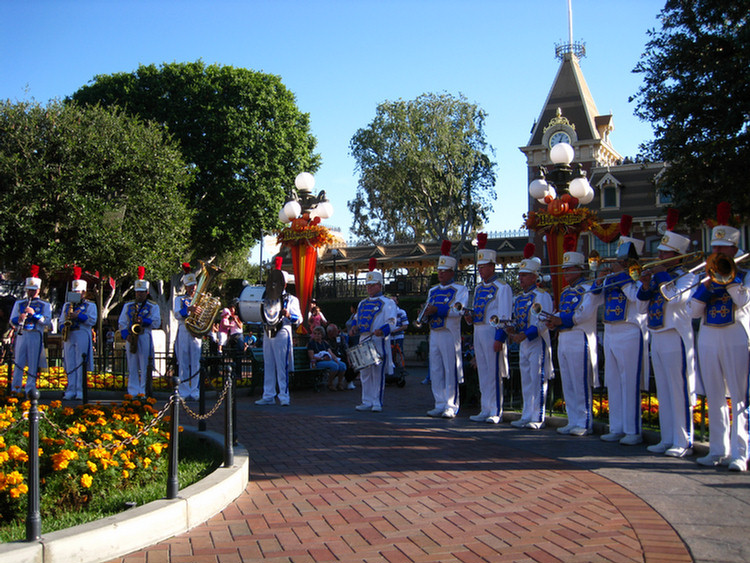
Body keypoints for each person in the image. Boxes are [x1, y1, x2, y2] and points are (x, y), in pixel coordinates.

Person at [690, 202, 749, 472]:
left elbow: (743, 302)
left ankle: (740, 452)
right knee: (714, 395)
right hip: (709, 336)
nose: (717, 253)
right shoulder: (705, 277)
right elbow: (693, 311)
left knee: (738, 396)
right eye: (715, 248)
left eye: (723, 249)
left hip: (736, 334)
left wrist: (729, 279)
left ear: (734, 250)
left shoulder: (745, 275)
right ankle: (717, 449)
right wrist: (707, 287)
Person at [637, 210, 697, 458]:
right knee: (662, 388)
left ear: (677, 257)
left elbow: (675, 298)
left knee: (678, 387)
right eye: (659, 253)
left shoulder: (688, 277)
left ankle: (683, 440)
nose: (659, 257)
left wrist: (659, 276)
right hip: (657, 336)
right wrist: (646, 285)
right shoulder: (660, 278)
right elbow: (641, 307)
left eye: (664, 254)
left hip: (675, 336)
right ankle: (667, 437)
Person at [590, 216, 648, 445]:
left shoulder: (638, 278)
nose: (618, 262)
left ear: (631, 261)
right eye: (618, 259)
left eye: (623, 260)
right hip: (611, 331)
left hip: (630, 330)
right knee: (612, 381)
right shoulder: (615, 277)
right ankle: (616, 427)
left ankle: (633, 430)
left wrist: (622, 278)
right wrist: (602, 278)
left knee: (629, 382)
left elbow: (638, 299)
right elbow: (594, 296)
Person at [545, 236, 600, 436]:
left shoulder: (588, 288)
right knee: (567, 381)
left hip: (579, 336)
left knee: (579, 381)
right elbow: (564, 310)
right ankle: (572, 419)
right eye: (565, 269)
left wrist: (561, 320)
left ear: (580, 269)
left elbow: (584, 313)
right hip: (565, 337)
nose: (566, 273)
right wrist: (552, 319)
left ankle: (584, 422)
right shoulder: (567, 291)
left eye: (569, 269)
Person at [503, 244, 554, 430]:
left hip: (536, 342)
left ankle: (537, 416)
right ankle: (526, 414)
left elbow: (542, 321)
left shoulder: (542, 295)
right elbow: (518, 319)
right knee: (526, 379)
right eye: (520, 275)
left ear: (534, 277)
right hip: (523, 343)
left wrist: (524, 334)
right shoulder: (519, 298)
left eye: (524, 275)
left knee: (537, 378)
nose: (520, 278)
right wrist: (511, 329)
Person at [464, 233, 513, 424]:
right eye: (479, 267)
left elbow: (505, 315)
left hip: (492, 333)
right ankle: (485, 408)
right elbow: (478, 311)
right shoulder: (477, 288)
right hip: (478, 331)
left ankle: (495, 410)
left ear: (492, 266)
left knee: (494, 372)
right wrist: (469, 318)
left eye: (483, 267)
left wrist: (500, 338)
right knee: (483, 371)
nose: (480, 270)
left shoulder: (502, 287)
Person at [424, 241, 469, 419]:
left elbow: (459, 310)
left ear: (452, 272)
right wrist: (425, 313)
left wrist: (437, 310)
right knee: (435, 369)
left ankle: (451, 404)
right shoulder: (433, 290)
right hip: (434, 332)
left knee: (450, 368)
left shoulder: (461, 289)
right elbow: (429, 308)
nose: (440, 273)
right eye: (439, 270)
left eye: (444, 271)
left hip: (449, 333)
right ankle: (439, 402)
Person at [349, 258, 397, 412]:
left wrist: (382, 330)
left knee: (377, 372)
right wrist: (354, 328)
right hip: (364, 338)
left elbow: (392, 322)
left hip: (378, 339)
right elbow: (357, 319)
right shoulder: (362, 303)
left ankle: (377, 401)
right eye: (368, 285)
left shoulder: (388, 302)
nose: (369, 287)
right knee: (365, 372)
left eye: (372, 285)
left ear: (380, 285)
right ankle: (366, 400)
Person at [255, 257, 301, 406]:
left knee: (282, 365)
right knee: (268, 364)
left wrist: (289, 315)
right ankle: (268, 394)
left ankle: (284, 396)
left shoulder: (291, 299)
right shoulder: (266, 297)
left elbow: (298, 319)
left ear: (285, 283)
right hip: (268, 331)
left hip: (282, 331)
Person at [118, 266, 161, 397]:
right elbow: (122, 322)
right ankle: (132, 390)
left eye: (142, 292)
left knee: (144, 365)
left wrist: (144, 321)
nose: (140, 294)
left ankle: (143, 391)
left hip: (144, 336)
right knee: (132, 365)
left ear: (147, 292)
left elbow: (157, 322)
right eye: (138, 292)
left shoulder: (153, 306)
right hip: (132, 337)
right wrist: (126, 335)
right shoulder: (128, 306)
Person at [10, 265, 52, 394]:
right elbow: (12, 320)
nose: (31, 293)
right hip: (22, 334)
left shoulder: (45, 304)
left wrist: (34, 314)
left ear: (38, 290)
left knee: (33, 363)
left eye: (33, 290)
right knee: (19, 362)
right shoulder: (19, 303)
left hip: (35, 334)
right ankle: (15, 388)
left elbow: (47, 321)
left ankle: (30, 388)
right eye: (29, 290)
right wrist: (20, 319)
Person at [60, 266, 97, 400]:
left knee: (80, 362)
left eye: (78, 291)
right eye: (74, 291)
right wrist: (63, 327)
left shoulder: (90, 305)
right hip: (70, 334)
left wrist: (78, 317)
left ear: (84, 292)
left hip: (82, 333)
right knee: (70, 363)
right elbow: (60, 321)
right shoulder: (66, 305)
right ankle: (71, 389)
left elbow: (92, 320)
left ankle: (80, 390)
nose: (76, 293)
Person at [174, 263, 202, 400]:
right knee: (183, 361)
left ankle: (195, 390)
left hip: (196, 332)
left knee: (196, 362)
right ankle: (184, 390)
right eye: (190, 286)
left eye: (194, 286)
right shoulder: (179, 299)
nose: (192, 288)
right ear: (185, 287)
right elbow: (177, 314)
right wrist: (189, 310)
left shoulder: (201, 300)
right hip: (184, 331)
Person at [326, 323, 350, 390]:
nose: (337, 333)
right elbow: (328, 350)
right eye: (335, 331)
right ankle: (330, 383)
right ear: (330, 332)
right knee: (337, 365)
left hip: (341, 356)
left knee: (348, 364)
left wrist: (348, 357)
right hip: (331, 357)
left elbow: (345, 347)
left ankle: (341, 383)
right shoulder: (325, 339)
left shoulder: (339, 338)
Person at [390, 295, 409, 377]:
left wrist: (395, 330)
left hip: (398, 336)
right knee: (389, 354)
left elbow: (405, 326)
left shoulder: (401, 312)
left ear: (397, 302)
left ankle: (401, 369)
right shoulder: (387, 313)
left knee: (399, 353)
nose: (393, 303)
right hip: (389, 337)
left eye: (394, 301)